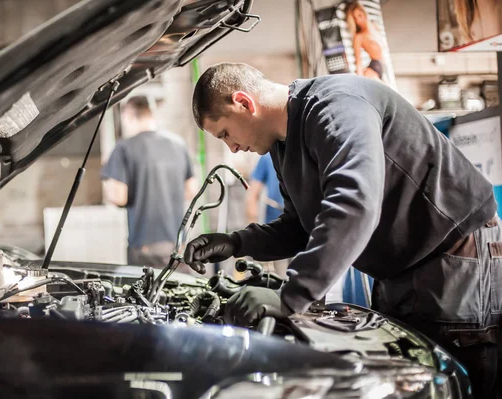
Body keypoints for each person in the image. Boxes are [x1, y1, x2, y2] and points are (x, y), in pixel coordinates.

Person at [183, 62, 501, 397]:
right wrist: (235, 243)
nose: (231, 148)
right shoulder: (282, 144)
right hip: (404, 270)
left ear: (244, 103)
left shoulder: (335, 107)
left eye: (225, 134)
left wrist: (290, 297)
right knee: (410, 384)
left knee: (455, 383)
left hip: (456, 259)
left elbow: (354, 204)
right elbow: (300, 227)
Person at [101, 95, 197, 270]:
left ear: (128, 116)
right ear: (151, 114)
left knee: (146, 295)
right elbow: (191, 190)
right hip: (178, 243)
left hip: (144, 245)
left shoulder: (124, 148)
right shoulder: (178, 144)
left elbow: (118, 197)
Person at [346, 1, 384, 81]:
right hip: (373, 69)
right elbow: (358, 62)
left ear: (363, 12)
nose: (359, 20)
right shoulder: (359, 37)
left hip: (381, 67)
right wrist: (360, 80)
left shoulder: (374, 27)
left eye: (360, 15)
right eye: (356, 18)